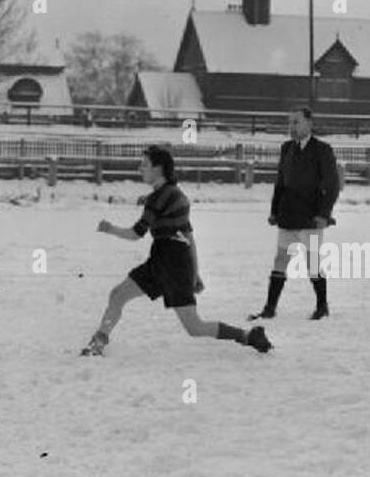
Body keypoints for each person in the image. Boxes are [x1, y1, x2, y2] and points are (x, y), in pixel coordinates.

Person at [81, 145, 272, 356]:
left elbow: (136, 233)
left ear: (158, 168)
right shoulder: (176, 194)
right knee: (118, 295)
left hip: (172, 265)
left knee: (194, 327)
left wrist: (109, 229)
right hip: (164, 261)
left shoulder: (161, 198)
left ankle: (247, 336)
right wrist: (195, 272)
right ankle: (98, 342)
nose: (139, 169)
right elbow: (188, 236)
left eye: (144, 164)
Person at [249, 106, 341, 321]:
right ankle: (270, 308)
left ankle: (322, 306)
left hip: (311, 218)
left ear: (310, 124)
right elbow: (280, 183)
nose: (292, 126)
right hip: (288, 216)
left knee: (312, 264)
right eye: (289, 122)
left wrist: (324, 214)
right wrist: (274, 211)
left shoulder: (322, 150)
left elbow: (333, 185)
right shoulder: (286, 148)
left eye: (296, 122)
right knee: (280, 260)